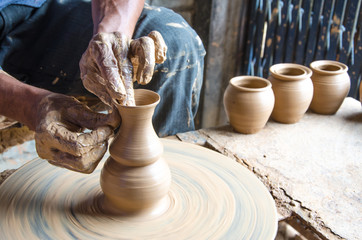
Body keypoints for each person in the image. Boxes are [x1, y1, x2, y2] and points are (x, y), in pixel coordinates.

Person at [0, 0, 206, 173]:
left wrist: (112, 39)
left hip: (35, 9)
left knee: (177, 45)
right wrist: (31, 105)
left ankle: (163, 180)